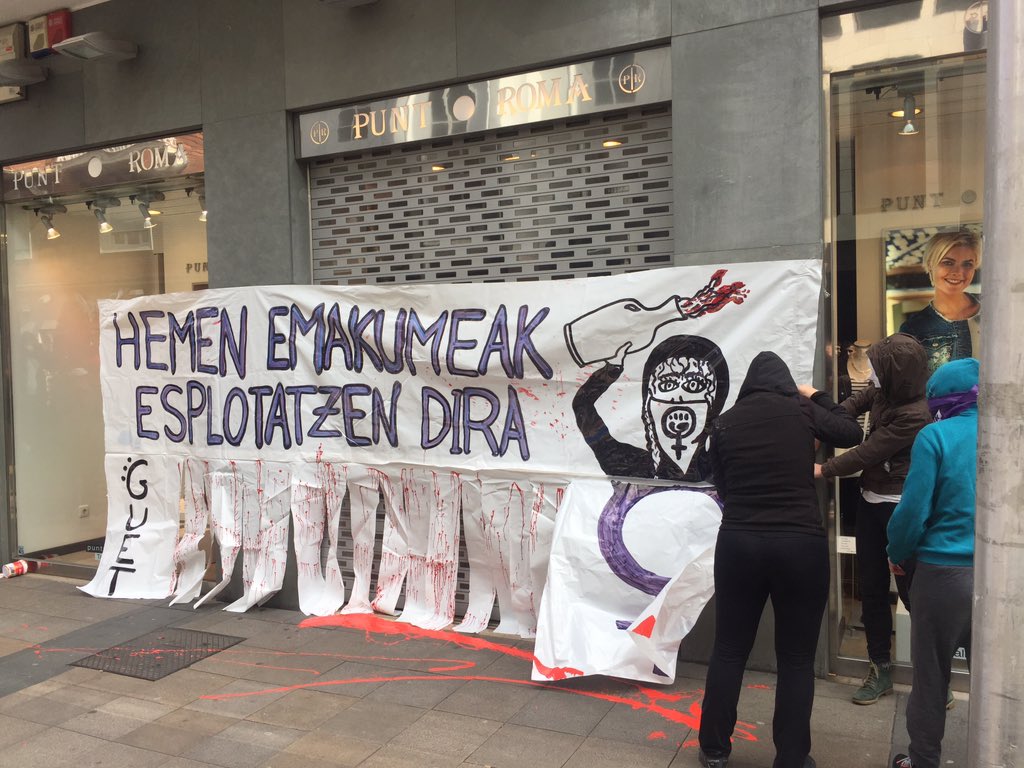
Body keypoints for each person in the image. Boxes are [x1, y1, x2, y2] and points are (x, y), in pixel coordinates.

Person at [698, 351, 863, 768]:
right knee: (796, 659)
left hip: (739, 543)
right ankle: (791, 757)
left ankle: (714, 749)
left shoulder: (724, 422)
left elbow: (721, 484)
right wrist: (816, 395)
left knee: (729, 649)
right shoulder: (803, 412)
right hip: (800, 546)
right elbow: (850, 432)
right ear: (787, 385)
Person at [815, 333, 931, 705]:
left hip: (900, 507)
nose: (871, 374)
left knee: (913, 594)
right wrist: (824, 415)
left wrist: (823, 469)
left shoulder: (915, 413)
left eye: (877, 367)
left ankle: (934, 676)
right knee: (872, 589)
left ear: (896, 374)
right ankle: (879, 667)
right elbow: (852, 404)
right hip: (869, 501)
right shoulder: (884, 390)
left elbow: (869, 451)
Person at [887, 358, 978, 768]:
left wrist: (896, 553)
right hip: (1003, 579)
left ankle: (923, 761)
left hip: (942, 575)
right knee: (1001, 679)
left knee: (931, 677)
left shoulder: (935, 436)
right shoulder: (1012, 431)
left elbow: (912, 512)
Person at [573, 334, 730, 482]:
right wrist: (612, 368)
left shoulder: (724, 467)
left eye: (694, 386)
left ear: (713, 403)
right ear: (648, 403)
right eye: (667, 385)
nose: (678, 399)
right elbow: (583, 405)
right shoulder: (628, 464)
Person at [899, 228, 981, 373]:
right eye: (948, 262)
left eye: (967, 264)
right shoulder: (913, 329)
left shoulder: (995, 306)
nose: (958, 272)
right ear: (931, 264)